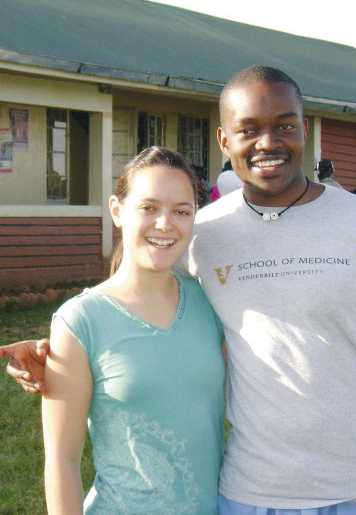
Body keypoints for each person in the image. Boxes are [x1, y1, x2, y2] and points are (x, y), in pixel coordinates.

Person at [0, 65, 356, 515]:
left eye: (284, 126)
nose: (268, 143)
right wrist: (59, 352)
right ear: (225, 141)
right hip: (250, 494)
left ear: (304, 130)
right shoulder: (200, 234)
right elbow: (136, 294)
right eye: (249, 130)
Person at [41, 147, 225, 513]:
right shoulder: (80, 320)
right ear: (117, 210)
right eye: (149, 207)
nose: (164, 224)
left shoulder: (211, 303)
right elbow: (62, 459)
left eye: (181, 211)